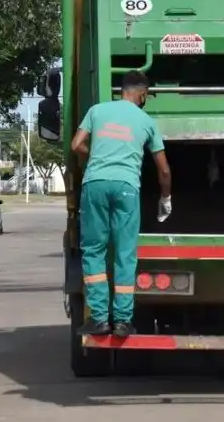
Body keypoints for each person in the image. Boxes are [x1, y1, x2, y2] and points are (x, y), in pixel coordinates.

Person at [70, 71, 172, 338]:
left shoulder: (97, 111)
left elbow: (76, 144)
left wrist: (96, 155)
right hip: (127, 187)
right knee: (125, 253)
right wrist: (165, 197)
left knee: (94, 250)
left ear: (122, 90)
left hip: (95, 184)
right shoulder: (146, 121)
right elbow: (163, 171)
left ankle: (100, 319)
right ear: (142, 94)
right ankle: (123, 322)